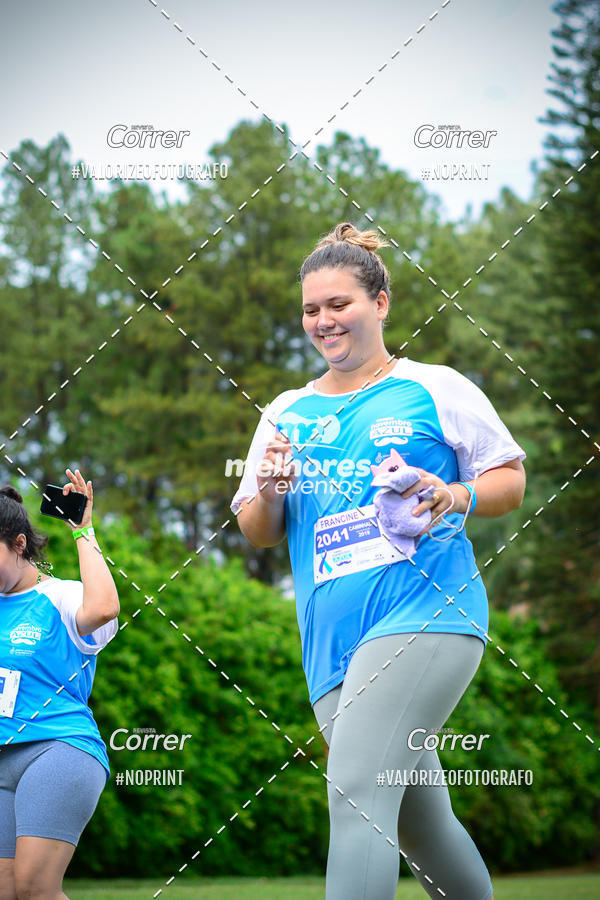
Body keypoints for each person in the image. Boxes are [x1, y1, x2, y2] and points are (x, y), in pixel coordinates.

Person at [230, 223, 526, 900]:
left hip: (428, 612)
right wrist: (273, 488)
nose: (323, 321)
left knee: (357, 795)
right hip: (332, 642)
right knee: (421, 827)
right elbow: (258, 531)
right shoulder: (285, 413)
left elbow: (510, 480)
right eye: (311, 309)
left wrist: (454, 494)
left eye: (340, 304)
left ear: (382, 302)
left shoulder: (435, 387)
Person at [0, 468, 119, 900]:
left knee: (35, 888)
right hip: (2, 762)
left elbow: (104, 608)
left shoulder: (61, 596)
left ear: (19, 545)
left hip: (58, 749)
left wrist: (83, 530)